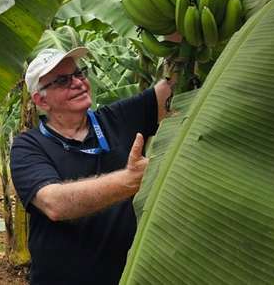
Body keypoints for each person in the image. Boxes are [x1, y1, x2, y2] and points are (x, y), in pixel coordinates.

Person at [10, 47, 173, 285]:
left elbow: (173, 90)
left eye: (79, 73)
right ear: (40, 100)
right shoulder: (29, 146)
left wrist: (176, 40)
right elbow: (55, 203)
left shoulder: (116, 119)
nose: (77, 83)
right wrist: (129, 181)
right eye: (63, 81)